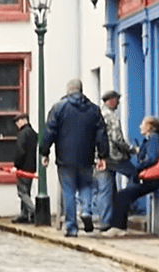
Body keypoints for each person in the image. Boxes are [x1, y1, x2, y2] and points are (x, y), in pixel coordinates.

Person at [38, 78, 109, 238]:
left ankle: (71, 227)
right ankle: (86, 211)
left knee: (68, 191)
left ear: (68, 90)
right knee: (86, 186)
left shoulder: (59, 108)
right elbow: (101, 134)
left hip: (65, 158)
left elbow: (49, 132)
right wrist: (103, 155)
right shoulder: (93, 109)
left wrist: (45, 152)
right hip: (86, 157)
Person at [104, 116, 159, 237]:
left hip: (155, 179)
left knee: (123, 195)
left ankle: (119, 227)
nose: (140, 126)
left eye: (142, 124)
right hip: (152, 178)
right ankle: (118, 225)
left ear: (149, 127)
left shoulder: (154, 138)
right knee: (125, 194)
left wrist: (138, 168)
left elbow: (153, 158)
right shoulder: (151, 139)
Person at [91, 91, 135, 235]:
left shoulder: (97, 114)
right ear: (111, 101)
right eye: (117, 100)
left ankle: (105, 221)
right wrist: (129, 149)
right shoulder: (111, 115)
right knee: (135, 173)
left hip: (100, 157)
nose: (118, 103)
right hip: (114, 156)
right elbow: (117, 138)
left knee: (106, 189)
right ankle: (128, 203)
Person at [11, 113, 38, 224]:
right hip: (31, 166)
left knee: (22, 192)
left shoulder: (22, 134)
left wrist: (16, 165)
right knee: (27, 191)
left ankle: (33, 212)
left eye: (17, 122)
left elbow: (20, 151)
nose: (17, 125)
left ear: (23, 120)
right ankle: (24, 215)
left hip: (23, 167)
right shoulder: (33, 133)